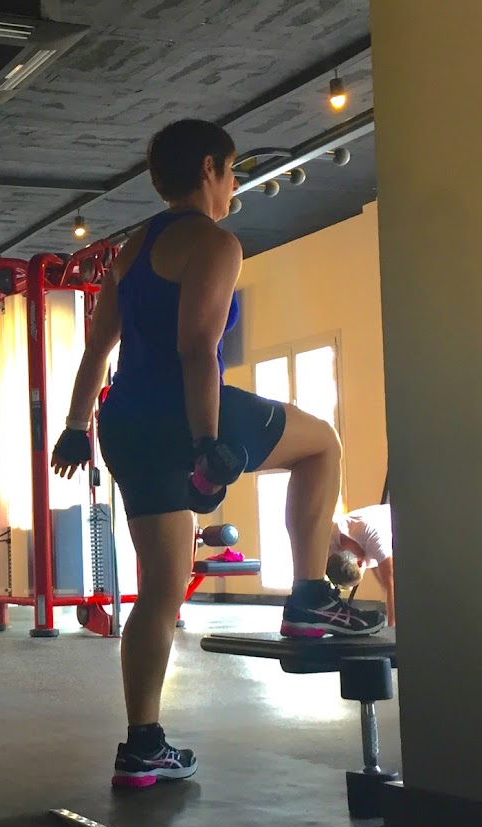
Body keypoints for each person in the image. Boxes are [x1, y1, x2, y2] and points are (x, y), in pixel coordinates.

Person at [50, 119, 384, 788]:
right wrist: (206, 443)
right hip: (182, 412)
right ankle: (310, 596)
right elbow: (197, 348)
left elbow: (98, 349)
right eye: (231, 172)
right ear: (209, 169)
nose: (233, 186)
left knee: (160, 589)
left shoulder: (131, 248)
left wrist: (76, 425)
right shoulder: (214, 242)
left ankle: (143, 745)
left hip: (125, 423)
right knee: (321, 443)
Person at [326, 504, 395, 627]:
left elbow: (392, 583)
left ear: (360, 562)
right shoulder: (330, 544)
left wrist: (391, 627)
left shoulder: (376, 541)